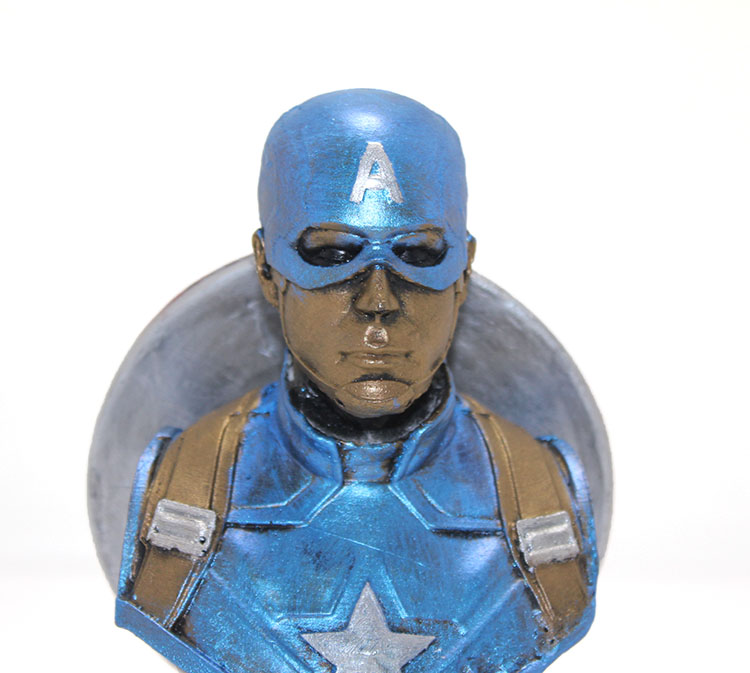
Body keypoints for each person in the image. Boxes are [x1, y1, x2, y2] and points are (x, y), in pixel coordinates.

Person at [116, 89, 598, 673]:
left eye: (418, 254)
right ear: (267, 268)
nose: (378, 300)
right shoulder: (186, 496)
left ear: (465, 270)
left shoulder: (539, 501)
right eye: (331, 254)